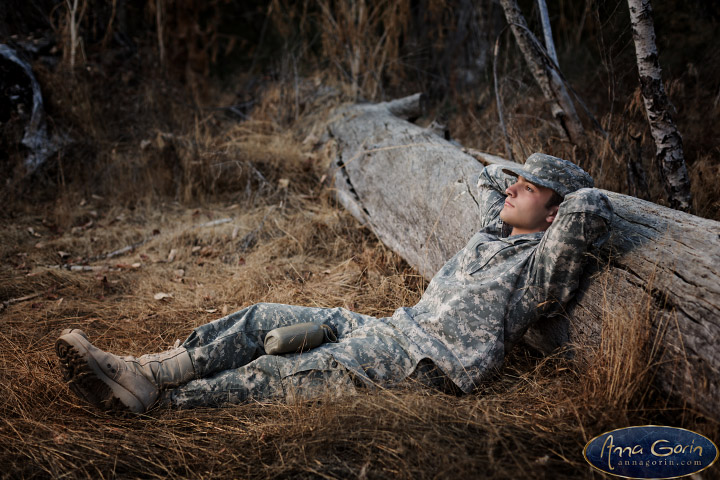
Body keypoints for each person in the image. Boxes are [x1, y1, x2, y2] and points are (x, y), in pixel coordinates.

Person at [55, 153, 613, 413]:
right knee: (261, 317)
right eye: (518, 180)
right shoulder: (494, 236)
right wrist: (528, 186)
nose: (513, 188)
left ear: (553, 213)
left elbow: (590, 207)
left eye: (530, 186)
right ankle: (149, 372)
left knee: (284, 370)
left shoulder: (539, 268)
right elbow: (488, 177)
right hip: (393, 330)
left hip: (426, 366)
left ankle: (156, 405)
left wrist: (560, 193)